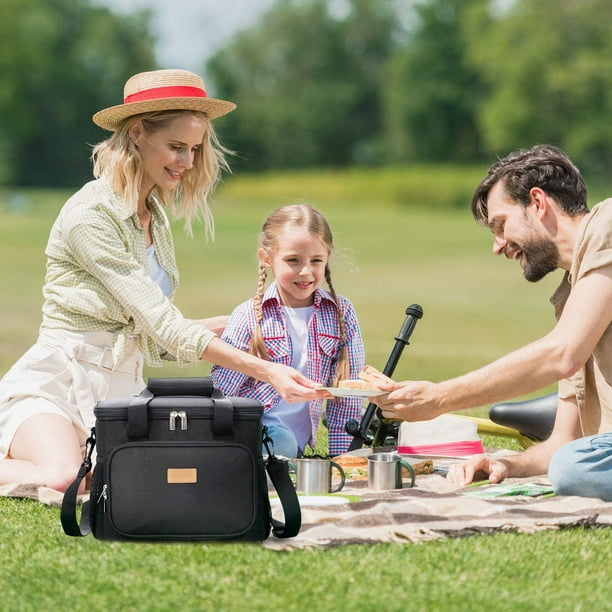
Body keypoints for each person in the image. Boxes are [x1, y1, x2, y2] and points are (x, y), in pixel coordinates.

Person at [0, 69, 323, 492]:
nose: (187, 162)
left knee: (124, 480)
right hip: (55, 384)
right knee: (64, 477)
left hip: (114, 396)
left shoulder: (153, 215)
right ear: (136, 133)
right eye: (176, 147)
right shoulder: (90, 216)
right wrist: (266, 370)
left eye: (193, 149)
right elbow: (161, 321)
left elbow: (153, 337)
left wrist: (243, 321)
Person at [373, 144, 612, 501]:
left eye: (501, 225)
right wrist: (506, 465)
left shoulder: (607, 223)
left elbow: (563, 354)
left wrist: (440, 397)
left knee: (572, 468)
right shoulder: (571, 297)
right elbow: (564, 440)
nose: (498, 246)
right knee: (570, 462)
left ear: (538, 202)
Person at [211, 204, 366, 457]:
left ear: (328, 257)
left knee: (285, 444)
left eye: (316, 261)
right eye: (293, 260)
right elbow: (222, 393)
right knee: (279, 441)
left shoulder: (341, 313)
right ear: (267, 258)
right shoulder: (249, 314)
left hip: (293, 445)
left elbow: (347, 400)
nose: (305, 272)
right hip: (251, 435)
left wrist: (341, 462)